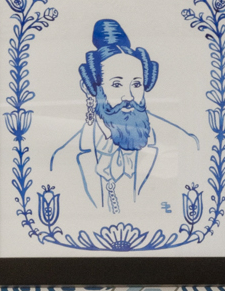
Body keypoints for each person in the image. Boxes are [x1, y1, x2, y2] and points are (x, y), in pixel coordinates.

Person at [47, 17, 204, 227]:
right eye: (117, 84)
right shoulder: (62, 158)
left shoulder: (186, 144)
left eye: (136, 84)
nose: (128, 96)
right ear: (92, 89)